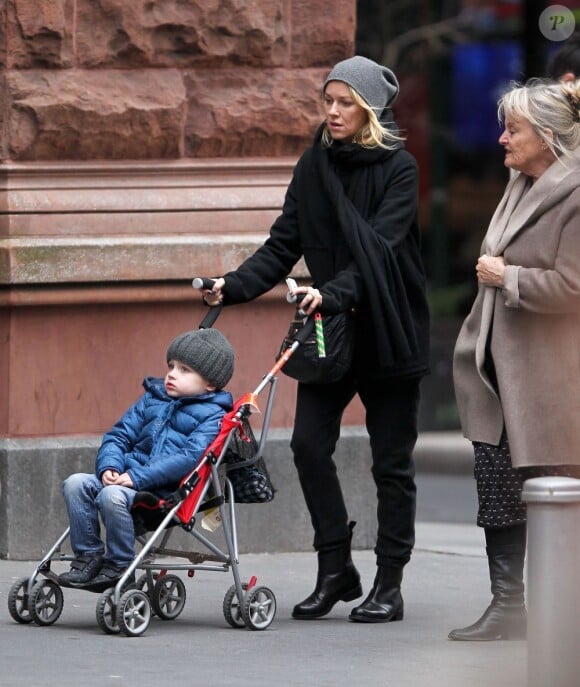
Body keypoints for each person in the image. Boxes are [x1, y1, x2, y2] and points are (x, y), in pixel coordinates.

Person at [199, 55, 430, 623]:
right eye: (327, 99)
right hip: (329, 331)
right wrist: (229, 286)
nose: (332, 111)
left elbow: (380, 248)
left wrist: (334, 291)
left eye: (344, 101)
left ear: (369, 108)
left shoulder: (399, 169)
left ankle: (390, 583)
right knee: (307, 446)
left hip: (389, 329)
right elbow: (283, 245)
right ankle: (336, 568)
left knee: (391, 464)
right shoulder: (314, 166)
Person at [449, 77, 580, 641]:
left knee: (556, 494)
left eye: (514, 129)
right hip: (497, 369)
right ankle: (509, 608)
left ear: (547, 136)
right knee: (497, 488)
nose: (502, 139)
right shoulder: (519, 182)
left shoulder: (575, 191)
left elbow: (574, 286)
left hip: (550, 376)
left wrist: (511, 277)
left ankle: (561, 611)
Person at [58, 328, 234, 591]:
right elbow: (119, 435)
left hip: (161, 493)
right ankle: (89, 557)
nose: (172, 373)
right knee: (75, 483)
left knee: (110, 495)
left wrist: (137, 477)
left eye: (185, 370)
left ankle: (120, 566)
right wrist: (110, 466)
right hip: (125, 477)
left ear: (210, 384)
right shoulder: (153, 399)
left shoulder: (212, 416)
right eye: (171, 366)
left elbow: (189, 457)